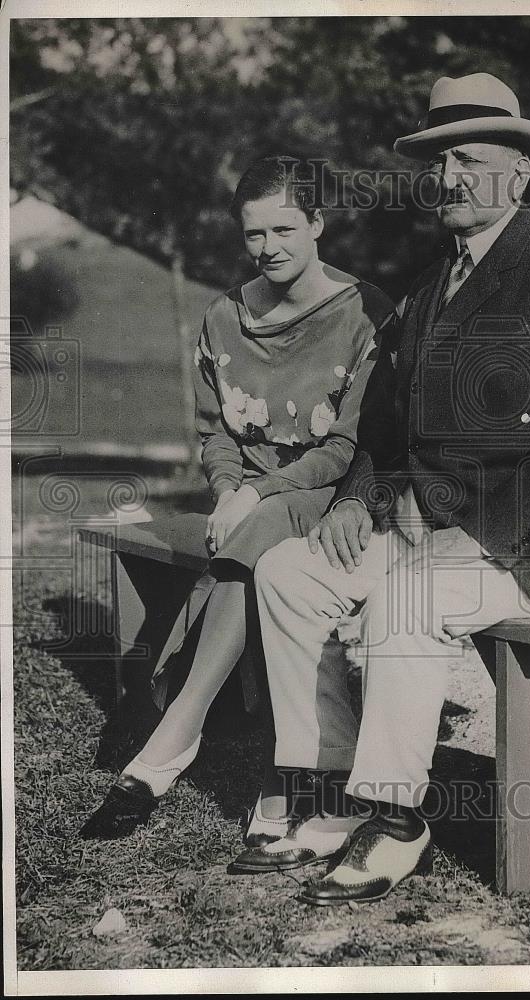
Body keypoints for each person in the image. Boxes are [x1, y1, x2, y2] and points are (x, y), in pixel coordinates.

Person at [228, 73, 530, 905]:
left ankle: (393, 817)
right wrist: (355, 502)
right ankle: (327, 785)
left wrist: (482, 535)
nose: (450, 177)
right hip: (430, 530)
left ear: (518, 176)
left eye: (472, 160)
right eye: (441, 160)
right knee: (289, 576)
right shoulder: (424, 288)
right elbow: (385, 431)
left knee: (409, 598)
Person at [80, 156, 394, 841]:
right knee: (259, 531)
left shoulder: (365, 314)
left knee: (273, 517)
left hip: (329, 499)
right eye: (254, 234)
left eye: (284, 228)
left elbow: (345, 448)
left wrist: (253, 491)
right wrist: (230, 489)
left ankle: (170, 741)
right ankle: (248, 766)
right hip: (245, 507)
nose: (269, 247)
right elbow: (214, 431)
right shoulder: (224, 316)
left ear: (318, 222)